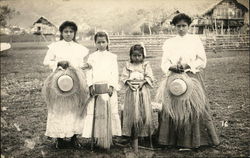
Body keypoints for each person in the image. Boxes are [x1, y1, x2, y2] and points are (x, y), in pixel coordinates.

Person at [156, 13, 220, 150]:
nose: (181, 29)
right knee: (172, 107)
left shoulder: (195, 40)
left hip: (191, 77)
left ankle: (193, 140)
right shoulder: (169, 42)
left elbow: (202, 60)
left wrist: (188, 65)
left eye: (184, 26)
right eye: (178, 26)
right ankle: (169, 140)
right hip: (174, 78)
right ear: (174, 27)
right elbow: (164, 62)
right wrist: (171, 67)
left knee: (192, 108)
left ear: (188, 26)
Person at [43, 21, 89, 149]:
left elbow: (80, 64)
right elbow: (47, 61)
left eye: (71, 32)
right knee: (59, 108)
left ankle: (74, 137)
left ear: (74, 33)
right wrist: (58, 63)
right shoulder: (55, 46)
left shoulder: (79, 48)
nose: (68, 34)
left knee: (75, 108)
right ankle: (59, 138)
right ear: (61, 33)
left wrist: (78, 67)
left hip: (75, 81)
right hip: (58, 82)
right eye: (65, 31)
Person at [81, 31, 122, 150]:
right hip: (96, 88)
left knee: (109, 110)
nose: (101, 44)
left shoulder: (112, 57)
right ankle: (96, 137)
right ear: (95, 43)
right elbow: (89, 72)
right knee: (96, 112)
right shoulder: (92, 57)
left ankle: (109, 137)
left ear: (108, 42)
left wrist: (111, 86)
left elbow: (115, 73)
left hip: (108, 88)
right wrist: (90, 86)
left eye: (103, 42)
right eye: (98, 42)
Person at [121, 44, 154, 152]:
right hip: (131, 91)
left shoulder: (145, 65)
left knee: (142, 112)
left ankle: (142, 135)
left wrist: (143, 83)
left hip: (142, 92)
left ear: (143, 56)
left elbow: (149, 76)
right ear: (130, 56)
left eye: (139, 55)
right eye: (134, 55)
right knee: (131, 113)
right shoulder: (128, 66)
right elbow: (124, 77)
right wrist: (129, 84)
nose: (137, 58)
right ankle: (131, 135)